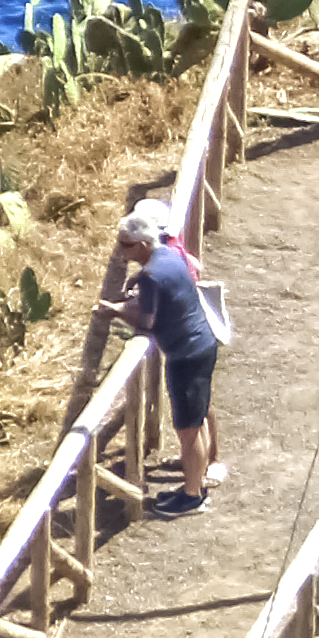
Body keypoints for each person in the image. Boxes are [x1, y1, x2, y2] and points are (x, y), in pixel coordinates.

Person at [113, 200, 230, 510]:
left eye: (126, 245)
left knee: (189, 430)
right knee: (199, 420)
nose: (123, 251)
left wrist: (113, 310)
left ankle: (192, 496)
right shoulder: (169, 255)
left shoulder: (151, 274)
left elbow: (146, 322)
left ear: (141, 244)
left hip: (185, 354)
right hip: (202, 345)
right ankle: (196, 485)